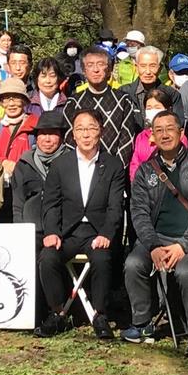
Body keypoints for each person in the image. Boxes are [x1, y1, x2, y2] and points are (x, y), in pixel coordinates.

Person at [124, 108, 188, 354]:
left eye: (169, 129)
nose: (165, 135)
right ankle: (142, 323)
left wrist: (183, 245)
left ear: (181, 132)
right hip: (156, 237)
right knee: (134, 263)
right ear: (151, 136)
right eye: (159, 130)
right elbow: (139, 213)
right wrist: (152, 245)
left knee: (185, 271)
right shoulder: (145, 170)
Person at [36, 109, 126, 338]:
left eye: (91, 128)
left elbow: (116, 207)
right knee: (47, 258)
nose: (86, 134)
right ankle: (57, 313)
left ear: (101, 132)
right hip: (68, 232)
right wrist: (52, 232)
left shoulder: (113, 166)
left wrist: (107, 233)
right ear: (73, 135)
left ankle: (100, 315)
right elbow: (51, 204)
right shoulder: (60, 165)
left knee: (102, 258)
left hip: (98, 232)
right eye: (80, 129)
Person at [64, 46, 141, 163]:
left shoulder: (123, 100)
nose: (96, 70)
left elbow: (127, 139)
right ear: (84, 70)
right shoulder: (73, 102)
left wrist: (116, 169)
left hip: (115, 172)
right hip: (81, 168)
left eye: (100, 64)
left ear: (109, 69)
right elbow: (69, 139)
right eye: (90, 65)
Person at [11, 110, 63, 227]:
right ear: (37, 137)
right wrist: (20, 227)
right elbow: (18, 203)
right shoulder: (24, 164)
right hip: (31, 229)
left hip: (63, 230)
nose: (47, 139)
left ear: (61, 136)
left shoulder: (71, 161)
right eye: (43, 133)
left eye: (53, 133)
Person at [129, 86, 187, 180]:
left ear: (168, 109)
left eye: (157, 107)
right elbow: (135, 165)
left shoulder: (178, 136)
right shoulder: (141, 136)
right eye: (149, 108)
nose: (153, 111)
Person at [0, 79, 38, 165]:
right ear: (1, 103)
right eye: (6, 99)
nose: (11, 104)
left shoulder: (34, 125)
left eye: (16, 99)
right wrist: (4, 162)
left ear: (24, 101)